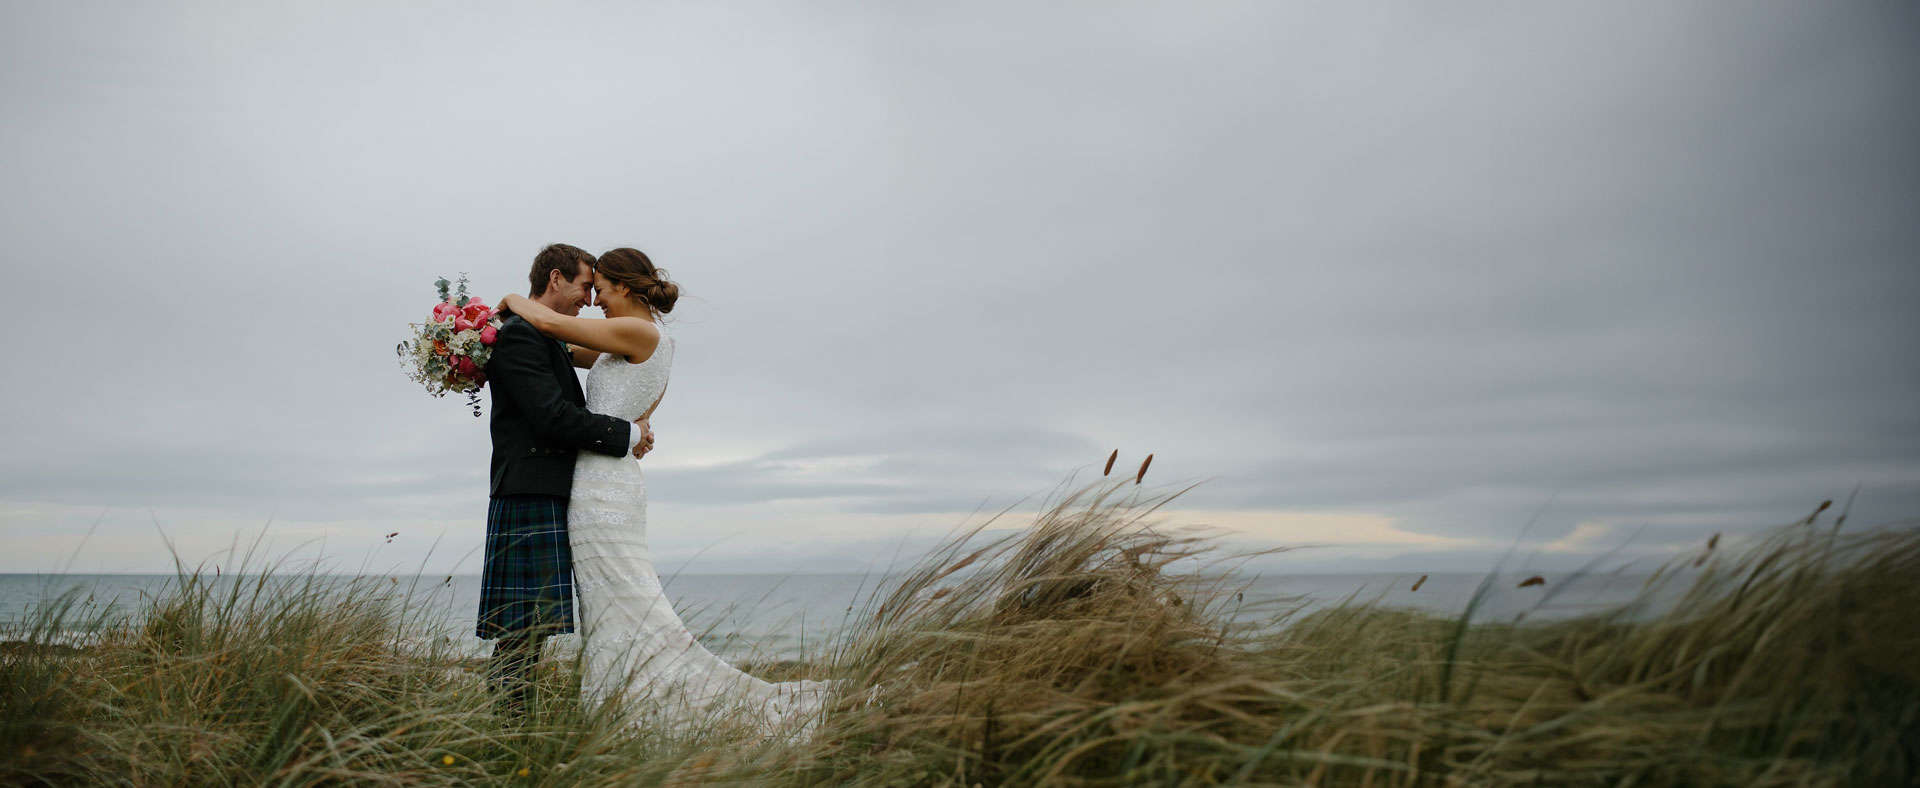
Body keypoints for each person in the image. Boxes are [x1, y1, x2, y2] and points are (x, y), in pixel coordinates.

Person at [499, 247, 834, 736]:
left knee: (624, 598)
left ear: (626, 289)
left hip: (604, 489)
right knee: (615, 599)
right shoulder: (626, 340)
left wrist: (511, 298)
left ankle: (636, 706)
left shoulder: (638, 332)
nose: (595, 301)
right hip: (605, 479)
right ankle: (619, 700)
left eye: (602, 289)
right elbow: (562, 351)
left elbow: (550, 328)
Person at [479, 243, 654, 716]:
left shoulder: (543, 335)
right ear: (555, 279)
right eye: (583, 286)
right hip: (530, 490)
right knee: (521, 631)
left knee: (531, 630)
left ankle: (516, 725)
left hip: (551, 488)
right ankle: (510, 729)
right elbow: (554, 417)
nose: (588, 299)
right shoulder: (520, 336)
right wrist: (629, 433)